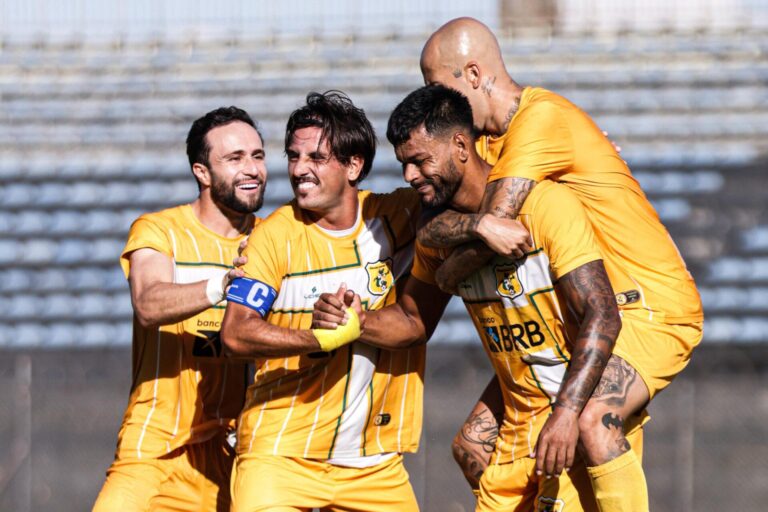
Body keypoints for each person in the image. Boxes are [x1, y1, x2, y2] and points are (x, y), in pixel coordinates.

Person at [417, 17, 704, 511]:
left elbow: (494, 225)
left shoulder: (539, 120)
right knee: (473, 447)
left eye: (436, 87)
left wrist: (447, 271)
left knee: (591, 417)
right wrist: (462, 240)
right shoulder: (485, 144)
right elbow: (433, 224)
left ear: (472, 73)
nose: (433, 104)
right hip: (573, 319)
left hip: (649, 306)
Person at [314, 84, 625, 511]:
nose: (409, 176)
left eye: (420, 161)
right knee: (467, 450)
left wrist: (568, 415)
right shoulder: (438, 236)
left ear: (461, 145)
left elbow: (603, 313)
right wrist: (356, 321)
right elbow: (413, 319)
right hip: (516, 429)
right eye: (404, 164)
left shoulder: (546, 206)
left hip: (567, 420)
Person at [219, 91, 424, 512]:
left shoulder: (396, 217)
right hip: (279, 455)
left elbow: (465, 194)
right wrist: (319, 337)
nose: (299, 170)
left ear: (354, 166)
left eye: (316, 158)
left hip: (374, 465)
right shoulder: (273, 236)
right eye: (293, 157)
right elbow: (236, 333)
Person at [92, 106, 266, 512]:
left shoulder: (273, 236)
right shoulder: (159, 230)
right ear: (202, 172)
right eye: (235, 158)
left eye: (257, 156)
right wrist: (221, 285)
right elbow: (149, 304)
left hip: (237, 452)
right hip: (156, 446)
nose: (252, 169)